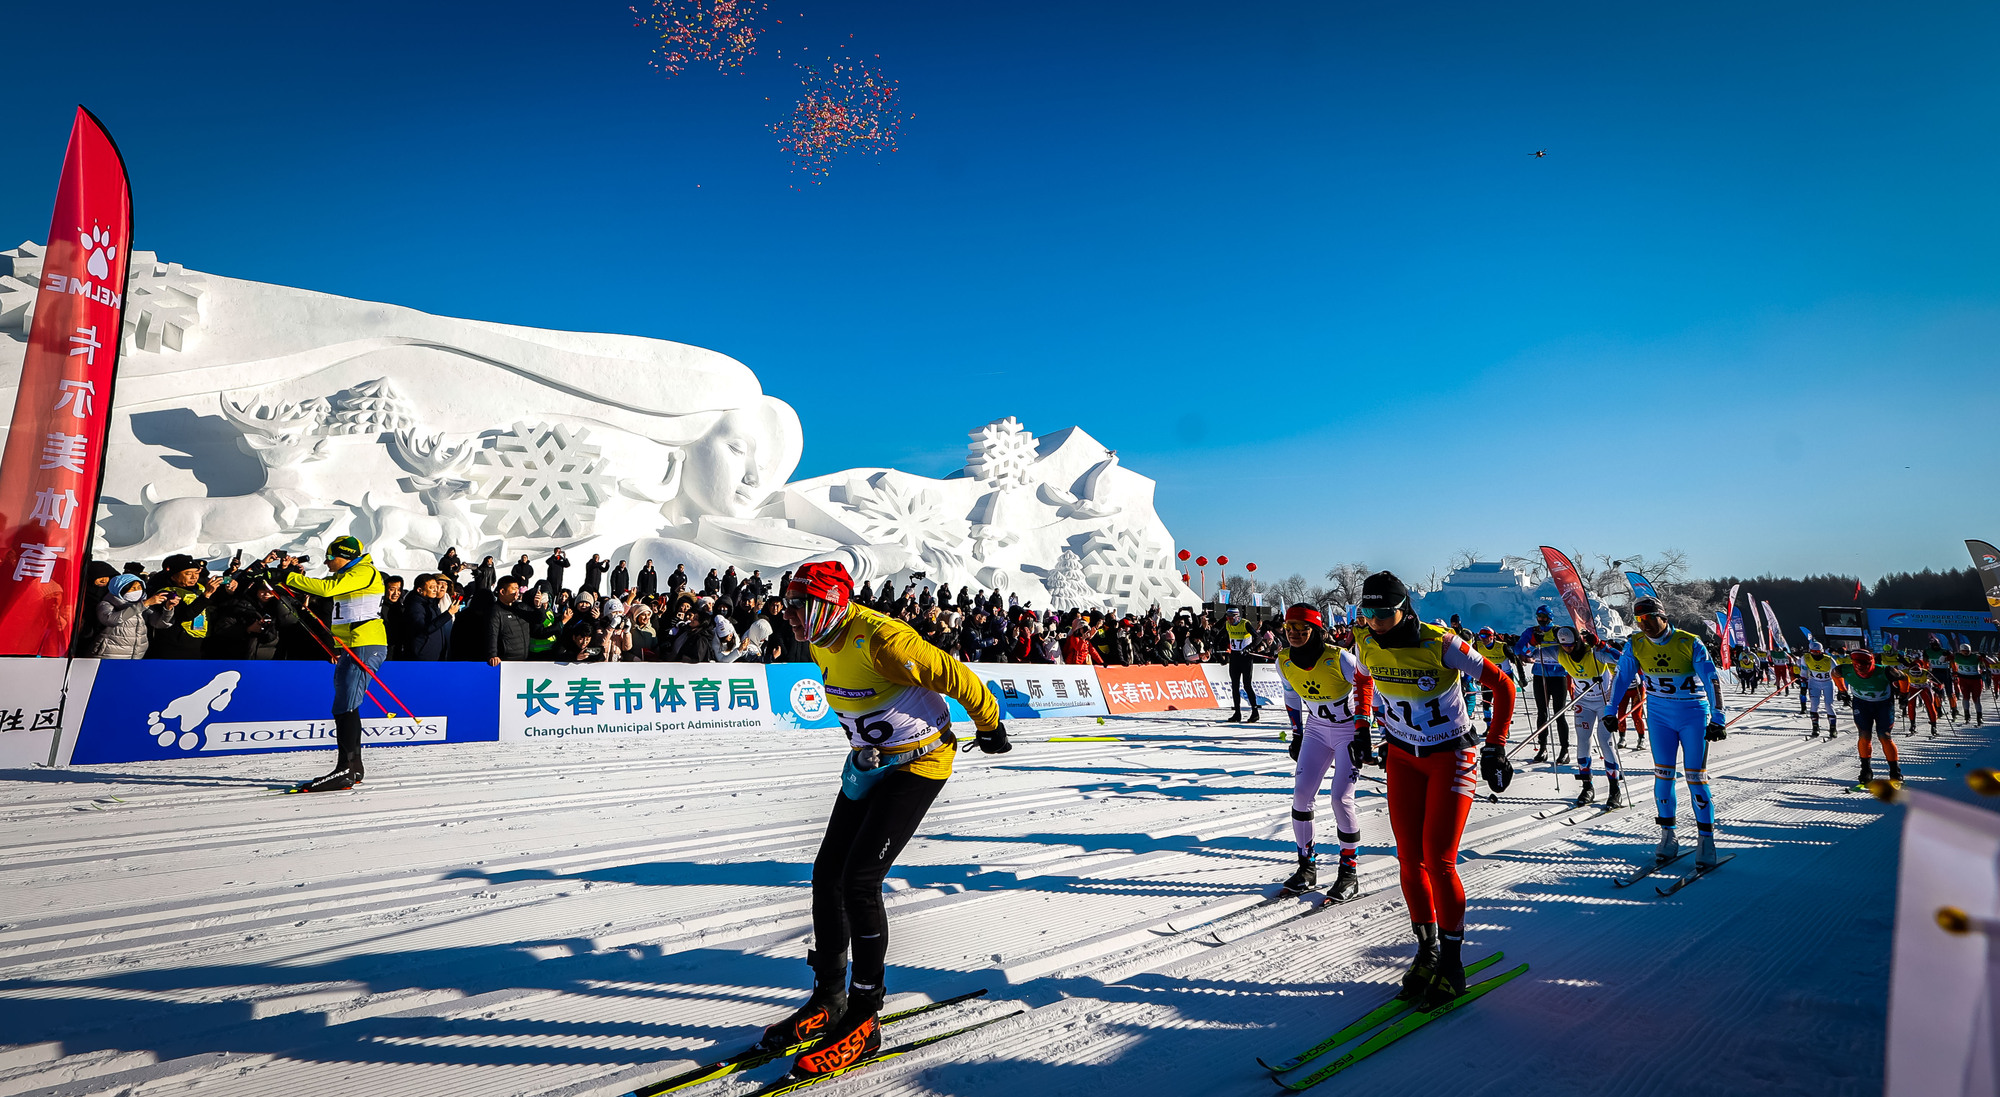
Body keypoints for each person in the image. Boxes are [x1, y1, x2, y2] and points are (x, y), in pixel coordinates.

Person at [759, 561, 1011, 1079]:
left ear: (837, 605)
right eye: (793, 610)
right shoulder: (823, 637)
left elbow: (956, 675)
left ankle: (866, 1014)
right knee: (826, 874)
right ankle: (828, 996)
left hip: (919, 762)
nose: (800, 624)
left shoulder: (885, 641)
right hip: (871, 763)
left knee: (859, 880)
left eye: (810, 611)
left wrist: (989, 724)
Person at [1348, 572, 1515, 1009]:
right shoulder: (1365, 641)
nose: (1375, 622)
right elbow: (1363, 681)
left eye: (1384, 613)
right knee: (1407, 857)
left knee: (1438, 859)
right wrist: (1363, 725)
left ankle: (1453, 964)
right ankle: (1427, 949)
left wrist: (1496, 745)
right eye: (1368, 613)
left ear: (1405, 609)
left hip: (1450, 756)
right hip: (1403, 756)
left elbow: (1504, 685)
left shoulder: (1439, 641)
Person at [1600, 597, 1726, 869]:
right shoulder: (1636, 644)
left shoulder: (1688, 642)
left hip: (1692, 715)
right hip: (1659, 717)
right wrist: (1611, 710)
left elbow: (1711, 679)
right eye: (1639, 621)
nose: (1645, 625)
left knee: (1695, 779)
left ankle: (1706, 840)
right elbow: (1622, 677)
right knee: (1663, 776)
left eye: (1649, 619)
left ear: (1663, 616)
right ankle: (1668, 836)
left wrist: (1718, 718)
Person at [269, 536, 388, 793]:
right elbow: (321, 588)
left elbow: (324, 590)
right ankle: (352, 767)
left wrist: (288, 577)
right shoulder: (350, 575)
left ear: (345, 555)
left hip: (364, 644)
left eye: (330, 557)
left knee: (345, 705)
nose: (326, 562)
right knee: (343, 705)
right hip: (352, 645)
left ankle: (346, 768)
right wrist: (292, 575)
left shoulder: (363, 571)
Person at [1275, 603, 1376, 901]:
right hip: (1317, 729)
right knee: (1301, 795)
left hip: (1347, 731)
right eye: (1288, 628)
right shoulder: (1284, 661)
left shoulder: (1338, 657)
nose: (1293, 634)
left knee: (1340, 798)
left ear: (1315, 630)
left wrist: (1363, 728)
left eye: (1301, 629)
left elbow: (1365, 683)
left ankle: (1349, 873)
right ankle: (1307, 868)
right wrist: (1296, 733)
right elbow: (1291, 696)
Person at [1555, 627, 1624, 808]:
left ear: (1577, 641)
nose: (1567, 649)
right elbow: (1526, 653)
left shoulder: (1595, 653)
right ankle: (1587, 787)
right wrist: (1531, 640)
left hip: (1603, 702)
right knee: (1583, 741)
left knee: (1605, 740)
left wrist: (1602, 645)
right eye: (1564, 646)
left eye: (1570, 645)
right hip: (1583, 702)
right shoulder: (1560, 653)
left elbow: (1624, 659)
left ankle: (1614, 789)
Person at [1836, 647, 1904, 788]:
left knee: (1884, 736)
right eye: (1857, 666)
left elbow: (1904, 678)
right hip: (1862, 704)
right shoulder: (1844, 669)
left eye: (1865, 665)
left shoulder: (1886, 671)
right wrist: (1842, 690)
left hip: (1883, 705)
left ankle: (1895, 772)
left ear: (1871, 663)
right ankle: (1865, 770)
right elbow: (1834, 674)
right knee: (1864, 735)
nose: (1861, 669)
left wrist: (1905, 694)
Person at [1514, 605, 1572, 763]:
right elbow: (1518, 649)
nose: (1541, 620)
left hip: (1558, 675)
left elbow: (1570, 647)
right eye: (1539, 617)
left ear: (1550, 617)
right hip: (1540, 675)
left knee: (1559, 713)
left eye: (1544, 617)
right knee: (1542, 713)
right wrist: (1532, 644)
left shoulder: (1558, 631)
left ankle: (1564, 750)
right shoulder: (1531, 632)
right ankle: (1543, 748)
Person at [149, 554, 221, 660]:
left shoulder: (200, 588)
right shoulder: (166, 593)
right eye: (188, 573)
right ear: (174, 576)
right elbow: (184, 615)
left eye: (196, 573)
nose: (194, 577)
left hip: (199, 641)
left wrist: (228, 592)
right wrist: (205, 596)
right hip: (175, 646)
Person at [92, 571, 173, 658]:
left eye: (139, 587)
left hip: (136, 654)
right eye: (132, 588)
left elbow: (159, 623)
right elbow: (110, 620)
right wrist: (143, 604)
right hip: (109, 653)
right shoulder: (107, 604)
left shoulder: (143, 605)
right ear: (120, 589)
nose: (137, 591)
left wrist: (168, 609)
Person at [1223, 607, 1260, 723]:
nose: (1230, 621)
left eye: (1231, 619)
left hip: (1246, 658)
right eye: (1228, 618)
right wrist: (1215, 648)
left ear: (1237, 617)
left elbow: (1258, 637)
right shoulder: (1228, 625)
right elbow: (1220, 637)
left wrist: (1249, 647)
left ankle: (1255, 712)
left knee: (1247, 685)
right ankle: (1237, 713)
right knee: (1234, 686)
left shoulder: (1245, 624)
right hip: (1234, 657)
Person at [1798, 640, 1840, 737]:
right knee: (1814, 704)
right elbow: (1804, 672)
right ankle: (1815, 727)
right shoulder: (1806, 658)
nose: (1814, 654)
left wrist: (1841, 690)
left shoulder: (1829, 660)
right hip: (1814, 682)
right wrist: (1803, 685)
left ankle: (1833, 728)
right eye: (1812, 652)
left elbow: (1838, 674)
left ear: (1821, 651)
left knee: (1829, 705)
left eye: (1817, 652)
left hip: (1827, 683)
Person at [1470, 627, 1511, 724]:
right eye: (1481, 636)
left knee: (1501, 704)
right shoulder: (1478, 646)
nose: (1483, 639)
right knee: (1486, 703)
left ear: (1492, 637)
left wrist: (1521, 676)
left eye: (1485, 636)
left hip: (1504, 677)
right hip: (1489, 678)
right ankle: (1489, 726)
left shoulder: (1502, 646)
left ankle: (1504, 727)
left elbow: (1515, 660)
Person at [1954, 644, 1986, 725]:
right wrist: (1945, 655)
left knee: (1976, 699)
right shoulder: (1957, 656)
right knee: (1966, 697)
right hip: (1963, 679)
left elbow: (1992, 662)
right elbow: (1942, 660)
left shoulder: (1975, 657)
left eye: (1967, 651)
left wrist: (1984, 656)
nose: (1965, 653)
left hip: (1975, 680)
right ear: (1960, 651)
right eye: (1964, 651)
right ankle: (1967, 716)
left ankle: (1979, 717)